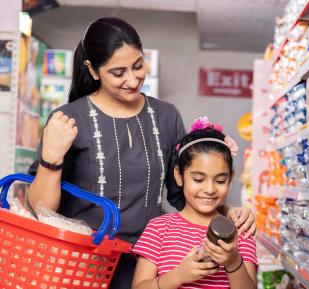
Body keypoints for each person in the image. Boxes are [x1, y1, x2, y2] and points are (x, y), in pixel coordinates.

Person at [26, 17, 257, 289]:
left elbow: (181, 190)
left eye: (138, 66)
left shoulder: (166, 116)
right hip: (77, 264)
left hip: (142, 264)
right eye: (118, 72)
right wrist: (51, 159)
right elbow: (38, 210)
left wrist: (228, 212)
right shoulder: (68, 119)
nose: (133, 79)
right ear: (93, 69)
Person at [131, 119, 257, 289]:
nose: (209, 189)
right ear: (179, 175)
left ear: (231, 178)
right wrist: (178, 276)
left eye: (220, 180)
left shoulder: (240, 230)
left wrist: (233, 261)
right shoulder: (159, 228)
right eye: (198, 179)